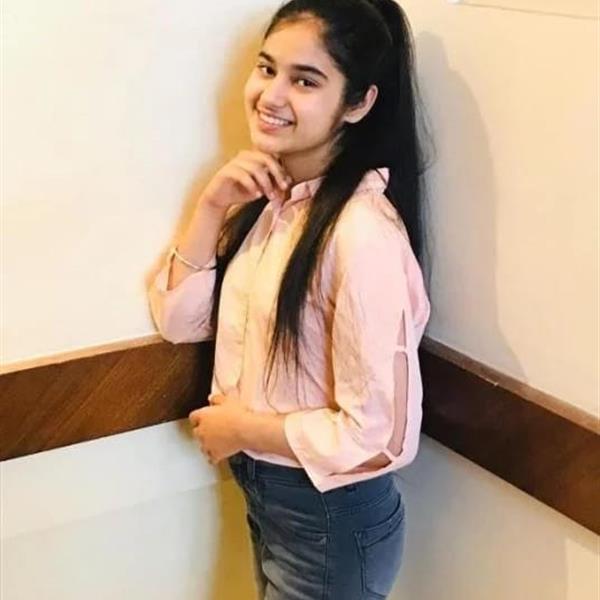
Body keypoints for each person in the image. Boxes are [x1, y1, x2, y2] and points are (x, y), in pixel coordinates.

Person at [148, 0, 433, 597]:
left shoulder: (361, 234)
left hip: (328, 515)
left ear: (358, 103)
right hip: (279, 499)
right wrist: (210, 208)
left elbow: (380, 436)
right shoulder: (271, 204)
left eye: (305, 80)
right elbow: (179, 322)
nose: (271, 95)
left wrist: (245, 429)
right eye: (267, 68)